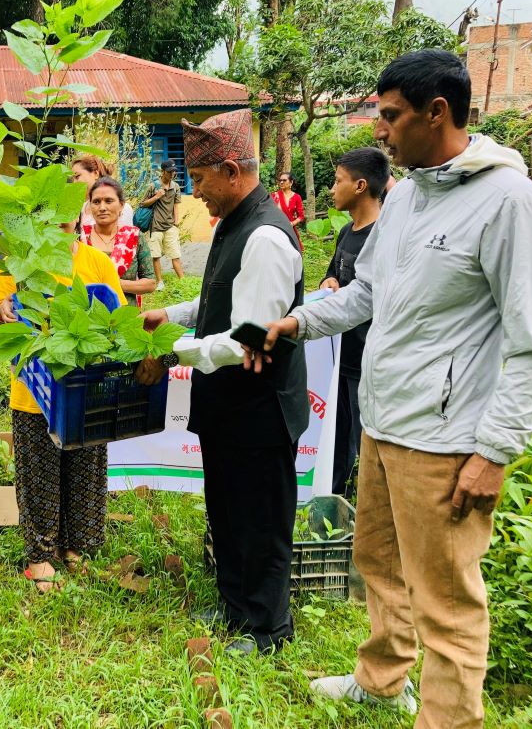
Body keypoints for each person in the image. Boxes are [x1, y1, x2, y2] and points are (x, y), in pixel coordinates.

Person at [256, 50, 532, 726]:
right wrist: (297, 322)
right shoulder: (406, 197)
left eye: (391, 116)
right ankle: (382, 681)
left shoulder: (507, 201)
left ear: (437, 112)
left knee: (447, 604)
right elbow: (368, 292)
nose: (381, 130)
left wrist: (494, 451)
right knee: (378, 562)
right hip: (385, 420)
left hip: (448, 441)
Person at [134, 108, 308, 655]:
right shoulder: (235, 223)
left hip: (259, 410)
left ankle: (267, 628)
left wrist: (171, 351)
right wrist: (177, 315)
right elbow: (222, 299)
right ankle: (235, 606)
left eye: (201, 179)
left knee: (260, 520)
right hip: (229, 409)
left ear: (232, 170)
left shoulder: (266, 239)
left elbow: (244, 340)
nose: (196, 191)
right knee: (227, 513)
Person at [0, 223, 126, 593]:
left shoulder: (97, 262)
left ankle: (78, 546)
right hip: (34, 390)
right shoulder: (20, 262)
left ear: (76, 217)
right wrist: (3, 310)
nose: (58, 222)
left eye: (65, 212)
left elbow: (118, 320)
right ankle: (40, 555)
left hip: (84, 388)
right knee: (39, 472)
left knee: (86, 468)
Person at [319, 147, 390, 498]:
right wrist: (328, 282)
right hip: (339, 357)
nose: (332, 189)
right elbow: (333, 273)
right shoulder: (348, 230)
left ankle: (361, 506)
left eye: (337, 181)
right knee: (337, 438)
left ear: (360, 186)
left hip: (367, 361)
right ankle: (332, 505)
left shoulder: (384, 237)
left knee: (364, 443)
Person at [79, 176, 156, 305]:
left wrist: (112, 283)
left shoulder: (134, 237)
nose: (102, 207)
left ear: (121, 205)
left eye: (109, 201)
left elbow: (150, 283)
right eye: (96, 202)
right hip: (87, 317)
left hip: (125, 316)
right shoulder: (80, 238)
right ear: (90, 205)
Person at [140, 158, 185, 290]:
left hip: (170, 226)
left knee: (175, 255)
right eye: (170, 172)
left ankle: (182, 281)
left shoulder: (175, 187)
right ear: (163, 171)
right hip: (155, 227)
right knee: (156, 256)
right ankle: (160, 282)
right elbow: (143, 204)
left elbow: (176, 206)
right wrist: (156, 197)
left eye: (174, 172)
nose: (172, 174)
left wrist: (176, 223)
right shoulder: (153, 186)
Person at [72, 155, 134, 229]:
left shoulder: (122, 209)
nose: (74, 183)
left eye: (77, 176)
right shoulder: (82, 208)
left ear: (96, 174)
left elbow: (124, 239)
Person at [272, 171, 305, 250]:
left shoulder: (297, 197)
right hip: (276, 229)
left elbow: (301, 216)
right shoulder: (274, 196)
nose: (281, 182)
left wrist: (292, 223)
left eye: (284, 180)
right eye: (280, 180)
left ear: (291, 182)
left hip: (290, 229)